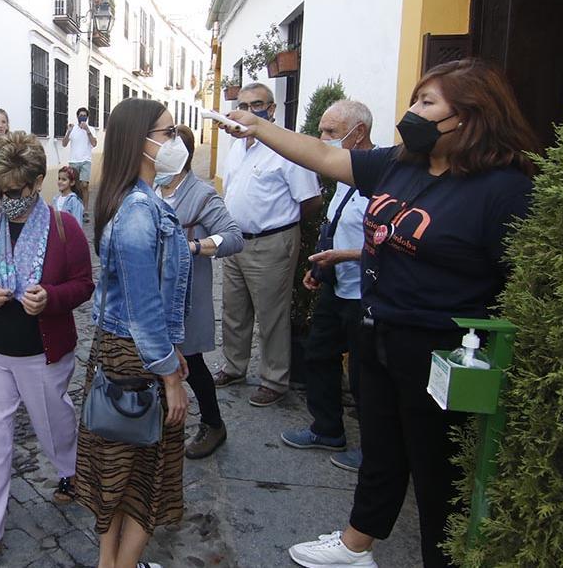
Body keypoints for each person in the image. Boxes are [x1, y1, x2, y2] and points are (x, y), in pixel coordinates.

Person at [217, 60, 536, 568]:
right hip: (378, 330)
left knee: (436, 475)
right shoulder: (401, 164)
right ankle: (355, 545)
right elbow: (325, 154)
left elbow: (523, 285)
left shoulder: (504, 190)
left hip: (439, 350)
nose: (413, 112)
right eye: (415, 100)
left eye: (427, 102)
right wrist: (258, 126)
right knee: (381, 452)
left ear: (471, 114)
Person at [0, 132, 93, 567]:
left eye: (13, 192)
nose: (4, 201)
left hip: (42, 355)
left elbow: (84, 284)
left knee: (55, 425)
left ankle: (70, 470)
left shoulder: (64, 228)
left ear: (35, 184)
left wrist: (51, 297)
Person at [77, 98, 192, 568]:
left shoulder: (133, 200)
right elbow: (145, 309)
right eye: (168, 133)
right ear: (139, 141)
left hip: (124, 352)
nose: (176, 141)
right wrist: (170, 376)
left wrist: (171, 353)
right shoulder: (139, 211)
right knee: (148, 477)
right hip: (138, 359)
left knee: (118, 472)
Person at [213, 82, 322, 407]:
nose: (249, 111)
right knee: (233, 310)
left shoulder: (286, 148)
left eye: (257, 105)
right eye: (243, 105)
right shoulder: (237, 145)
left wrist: (279, 223)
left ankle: (275, 380)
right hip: (236, 242)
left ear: (271, 109)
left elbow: (311, 200)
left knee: (271, 315)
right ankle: (234, 367)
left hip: (271, 243)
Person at [280, 100, 375, 474]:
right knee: (318, 353)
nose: (322, 138)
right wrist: (320, 268)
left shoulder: (381, 180)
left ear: (358, 133)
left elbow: (387, 243)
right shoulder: (344, 174)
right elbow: (336, 224)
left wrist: (345, 256)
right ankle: (327, 429)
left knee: (366, 376)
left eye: (330, 132)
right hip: (336, 287)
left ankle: (374, 450)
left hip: (365, 295)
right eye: (321, 130)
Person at [154, 124, 244, 460]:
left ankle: (213, 423)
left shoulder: (202, 195)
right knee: (153, 357)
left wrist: (193, 246)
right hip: (151, 292)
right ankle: (155, 423)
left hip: (184, 295)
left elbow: (233, 237)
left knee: (190, 360)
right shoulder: (150, 187)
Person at [62, 107, 97, 213]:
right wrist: (68, 132)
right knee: (74, 186)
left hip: (86, 160)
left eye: (85, 116)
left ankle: (85, 210)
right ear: (77, 116)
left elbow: (94, 143)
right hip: (73, 161)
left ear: (87, 117)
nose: (83, 117)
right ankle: (75, 208)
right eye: (81, 115)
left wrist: (87, 130)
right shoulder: (72, 129)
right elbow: (64, 144)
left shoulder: (91, 129)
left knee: (84, 185)